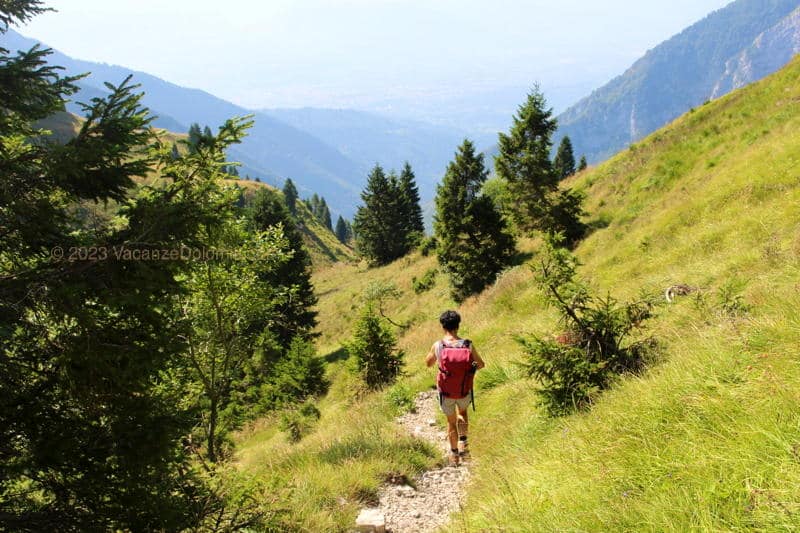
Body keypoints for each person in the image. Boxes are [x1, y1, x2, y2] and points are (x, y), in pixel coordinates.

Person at [425, 310, 485, 466]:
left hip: (446, 391)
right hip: (464, 389)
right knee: (463, 413)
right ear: (458, 325)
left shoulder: (439, 345)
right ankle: (464, 444)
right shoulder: (467, 345)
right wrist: (469, 366)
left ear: (443, 326)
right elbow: (480, 364)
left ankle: (454, 455)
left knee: (451, 422)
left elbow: (428, 363)